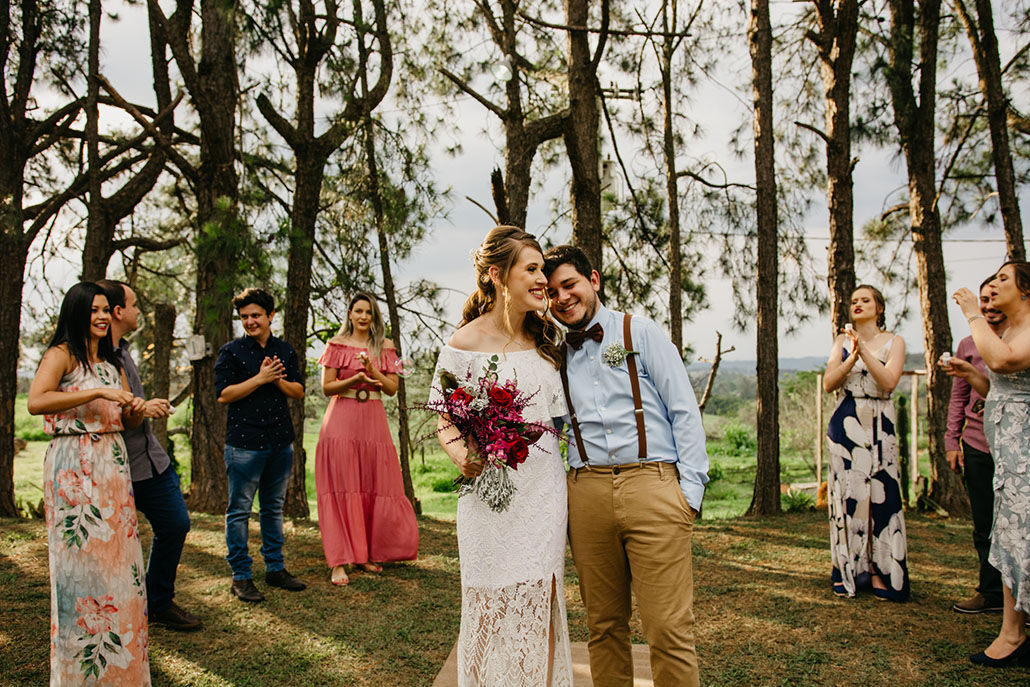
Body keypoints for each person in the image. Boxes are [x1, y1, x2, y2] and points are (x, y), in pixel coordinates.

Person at [544, 245, 709, 687]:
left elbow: (683, 409)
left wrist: (689, 494)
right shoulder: (554, 355)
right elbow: (546, 427)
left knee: (668, 629)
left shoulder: (641, 332)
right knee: (603, 628)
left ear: (593, 280)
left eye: (569, 285)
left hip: (653, 485)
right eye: (553, 292)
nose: (562, 298)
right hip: (586, 493)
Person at [432, 226, 572, 686]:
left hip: (543, 493)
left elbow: (559, 421)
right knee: (489, 605)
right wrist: (462, 457)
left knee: (541, 600)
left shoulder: (549, 339)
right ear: (497, 275)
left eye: (542, 270)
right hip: (487, 500)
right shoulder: (463, 344)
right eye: (531, 270)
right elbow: (445, 417)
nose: (542, 280)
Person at [28, 282, 151, 684]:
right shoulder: (62, 355)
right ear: (78, 312)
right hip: (73, 464)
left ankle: (123, 675)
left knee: (120, 566)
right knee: (79, 568)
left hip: (113, 464)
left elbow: (127, 418)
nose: (101, 317)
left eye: (104, 310)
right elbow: (36, 401)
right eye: (93, 310)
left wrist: (138, 409)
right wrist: (96, 391)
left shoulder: (114, 363)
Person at [97, 279, 201, 630]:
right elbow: (112, 414)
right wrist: (143, 409)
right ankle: (118, 608)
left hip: (152, 460)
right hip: (117, 466)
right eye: (134, 304)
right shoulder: (98, 358)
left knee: (175, 524)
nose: (138, 310)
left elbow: (131, 408)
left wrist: (145, 406)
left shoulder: (124, 351)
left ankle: (158, 602)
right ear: (118, 311)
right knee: (113, 543)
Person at [949, 261, 1030, 668]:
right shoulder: (1013, 330)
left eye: (1003, 279)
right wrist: (969, 373)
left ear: (1026, 291)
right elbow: (998, 385)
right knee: (1012, 535)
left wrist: (972, 314)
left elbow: (1002, 364)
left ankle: (1012, 634)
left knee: (1023, 534)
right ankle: (1014, 629)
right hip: (1008, 454)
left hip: (1025, 451)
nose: (994, 284)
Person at [315, 292, 418, 586]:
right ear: (349, 314)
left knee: (371, 485)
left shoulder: (385, 346)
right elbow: (327, 387)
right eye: (358, 311)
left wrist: (371, 370)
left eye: (368, 312)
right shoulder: (336, 344)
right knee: (342, 486)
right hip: (341, 419)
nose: (363, 316)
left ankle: (363, 555)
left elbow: (391, 389)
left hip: (373, 420)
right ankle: (339, 561)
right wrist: (355, 379)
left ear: (374, 317)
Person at [215, 287, 307, 602]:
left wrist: (276, 379)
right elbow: (223, 395)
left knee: (272, 508)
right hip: (244, 444)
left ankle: (275, 569)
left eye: (256, 315)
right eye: (244, 317)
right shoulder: (231, 352)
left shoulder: (285, 350)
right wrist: (259, 378)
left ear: (270, 315)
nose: (250, 321)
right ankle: (241, 576)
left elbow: (298, 391)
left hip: (280, 441)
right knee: (239, 510)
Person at [823, 284, 909, 602]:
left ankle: (880, 571)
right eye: (854, 300)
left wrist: (865, 352)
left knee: (881, 495)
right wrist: (850, 358)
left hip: (880, 422)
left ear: (879, 307)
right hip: (845, 421)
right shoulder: (841, 341)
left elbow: (888, 382)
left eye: (865, 300)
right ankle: (846, 569)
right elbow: (829, 383)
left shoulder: (895, 341)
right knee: (849, 496)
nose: (857, 304)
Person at [944, 276, 1008, 615]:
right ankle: (991, 592)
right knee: (984, 524)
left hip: (1015, 446)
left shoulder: (1018, 340)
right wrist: (951, 440)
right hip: (977, 444)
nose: (989, 305)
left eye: (995, 298)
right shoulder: (968, 344)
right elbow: (959, 396)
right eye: (983, 300)